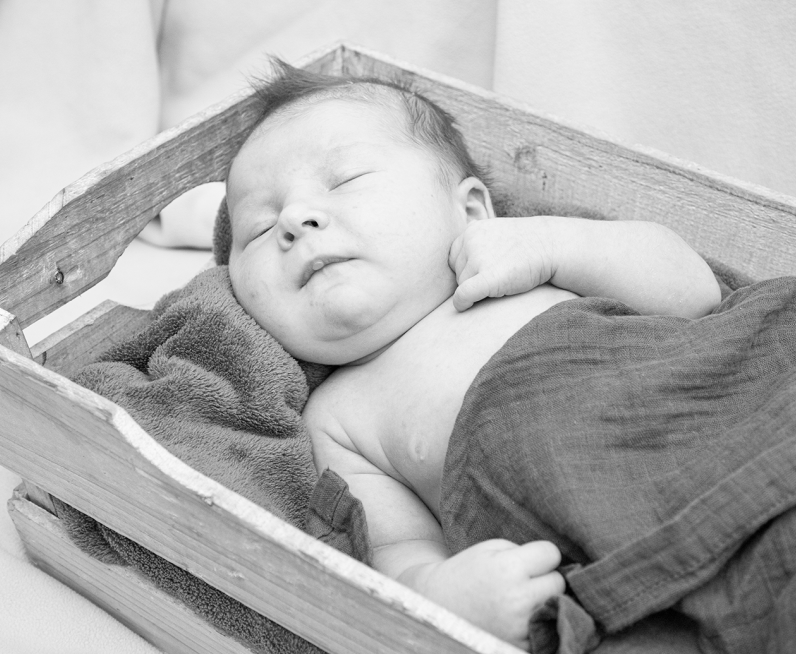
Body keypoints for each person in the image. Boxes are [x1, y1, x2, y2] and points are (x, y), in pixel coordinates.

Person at [224, 60, 722, 649]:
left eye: (345, 179)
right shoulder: (337, 416)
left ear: (472, 210)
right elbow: (393, 552)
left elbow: (696, 294)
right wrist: (443, 592)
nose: (293, 219)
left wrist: (559, 243)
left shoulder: (526, 262)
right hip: (625, 563)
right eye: (257, 229)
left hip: (740, 429)